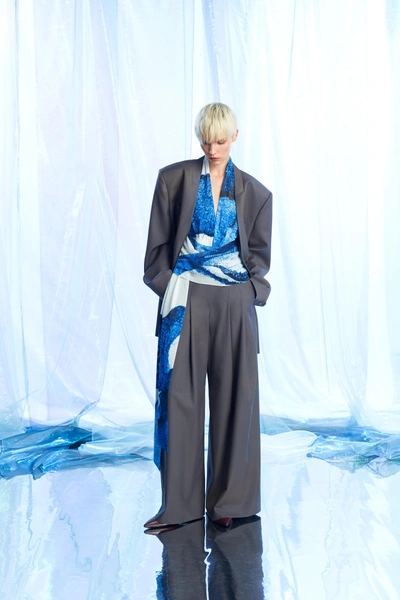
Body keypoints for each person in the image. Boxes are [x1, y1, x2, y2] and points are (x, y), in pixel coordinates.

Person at [143, 102, 272, 530]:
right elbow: (156, 249)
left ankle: (230, 502)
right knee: (179, 398)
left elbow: (259, 257)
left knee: (236, 399)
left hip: (235, 301)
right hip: (186, 298)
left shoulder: (256, 193)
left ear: (234, 136)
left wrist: (251, 292)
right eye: (205, 141)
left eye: (219, 141)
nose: (212, 149)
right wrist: (170, 287)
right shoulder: (173, 180)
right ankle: (178, 506)